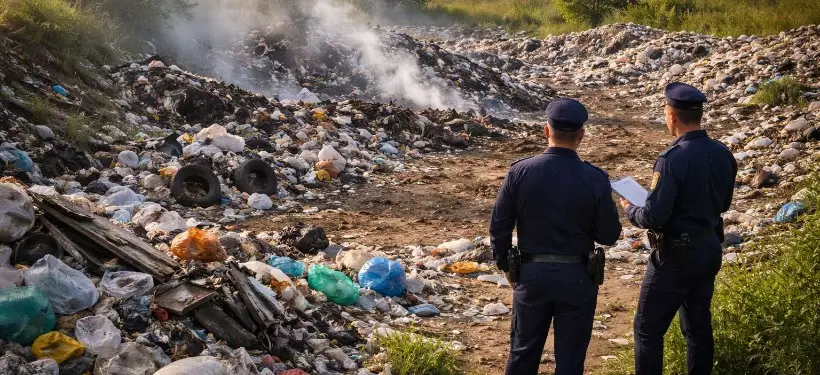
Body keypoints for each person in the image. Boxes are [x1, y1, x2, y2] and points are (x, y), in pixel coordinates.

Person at [490, 98, 622, 375]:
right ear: (581, 135)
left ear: (546, 131)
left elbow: (500, 225)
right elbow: (609, 235)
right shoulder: (595, 178)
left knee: (523, 353)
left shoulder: (520, 172)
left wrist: (505, 265)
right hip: (578, 277)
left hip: (531, 274)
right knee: (571, 359)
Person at [620, 83, 737, 375]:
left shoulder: (672, 159)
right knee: (698, 326)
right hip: (709, 246)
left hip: (676, 255)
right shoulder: (722, 153)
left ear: (671, 116)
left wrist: (631, 210)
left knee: (647, 329)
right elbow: (723, 202)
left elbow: (655, 216)